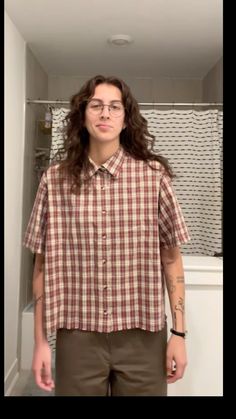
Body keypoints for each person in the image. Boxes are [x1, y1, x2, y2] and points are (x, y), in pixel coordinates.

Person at [23, 75, 190, 396]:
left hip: (143, 337)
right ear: (82, 115)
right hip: (78, 338)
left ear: (126, 119)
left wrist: (179, 336)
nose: (105, 114)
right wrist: (41, 342)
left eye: (115, 107)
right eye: (96, 105)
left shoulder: (153, 177)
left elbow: (172, 259)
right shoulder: (53, 181)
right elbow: (41, 266)